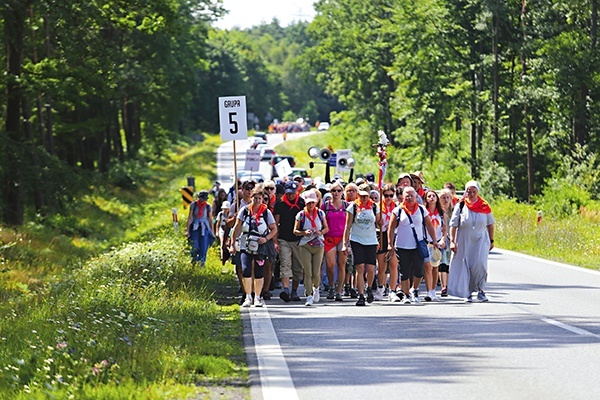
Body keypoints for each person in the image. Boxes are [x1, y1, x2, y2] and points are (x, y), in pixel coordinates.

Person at [387, 186, 438, 304]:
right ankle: (406, 295)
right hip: (402, 246)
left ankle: (414, 289)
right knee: (404, 272)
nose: (409, 198)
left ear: (416, 197)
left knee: (419, 271)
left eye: (412, 195)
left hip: (418, 245)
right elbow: (391, 227)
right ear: (403, 197)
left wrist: (434, 239)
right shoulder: (398, 210)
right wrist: (390, 244)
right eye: (407, 195)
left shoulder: (421, 209)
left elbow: (429, 225)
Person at [229, 187, 278, 307]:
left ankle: (257, 297)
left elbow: (274, 229)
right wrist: (232, 243)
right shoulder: (244, 211)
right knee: (245, 269)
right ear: (251, 198)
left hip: (260, 246)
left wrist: (266, 239)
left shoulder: (266, 212)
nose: (257, 200)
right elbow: (236, 227)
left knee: (259, 271)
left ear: (262, 199)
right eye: (255, 198)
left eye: (259, 198)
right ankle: (248, 296)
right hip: (245, 244)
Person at [448, 180, 495, 302]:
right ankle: (467, 292)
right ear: (466, 192)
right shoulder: (461, 205)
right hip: (464, 240)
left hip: (481, 240)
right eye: (469, 191)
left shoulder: (484, 206)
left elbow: (490, 224)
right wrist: (452, 241)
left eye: (474, 191)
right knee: (466, 265)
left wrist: (492, 240)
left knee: (480, 265)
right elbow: (453, 225)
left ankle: (481, 290)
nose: (471, 194)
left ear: (478, 192)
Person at [342, 185, 381, 306]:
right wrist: (345, 243)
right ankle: (360, 295)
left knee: (370, 269)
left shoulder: (374, 207)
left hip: (371, 240)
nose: (364, 198)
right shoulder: (353, 207)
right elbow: (347, 226)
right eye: (362, 196)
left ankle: (369, 288)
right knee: (360, 268)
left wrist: (381, 223)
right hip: (357, 240)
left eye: (366, 196)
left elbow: (378, 224)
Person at [294, 191, 329, 306]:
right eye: (308, 203)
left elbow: (326, 228)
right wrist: (304, 232)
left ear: (316, 202)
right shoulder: (301, 215)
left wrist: (320, 232)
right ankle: (308, 295)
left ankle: (316, 288)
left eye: (313, 203)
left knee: (316, 272)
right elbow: (295, 230)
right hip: (305, 245)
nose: (310, 205)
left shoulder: (320, 213)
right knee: (307, 271)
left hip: (318, 245)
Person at [273, 180, 306, 302]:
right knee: (285, 263)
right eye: (288, 193)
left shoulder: (302, 203)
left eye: (292, 193)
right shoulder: (280, 204)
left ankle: (294, 290)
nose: (290, 196)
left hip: (298, 240)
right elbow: (276, 224)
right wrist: (275, 241)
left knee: (298, 267)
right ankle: (286, 290)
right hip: (284, 239)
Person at [322, 181, 348, 301]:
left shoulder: (346, 206)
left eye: (338, 190)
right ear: (330, 192)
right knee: (330, 265)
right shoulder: (326, 206)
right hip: (330, 238)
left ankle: (339, 290)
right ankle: (331, 286)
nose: (336, 193)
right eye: (333, 191)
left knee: (342, 265)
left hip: (343, 238)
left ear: (342, 192)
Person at [376, 184, 400, 302]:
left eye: (391, 195)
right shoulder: (378, 207)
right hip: (382, 235)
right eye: (386, 195)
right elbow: (373, 223)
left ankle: (392, 290)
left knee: (394, 264)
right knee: (382, 266)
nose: (388, 198)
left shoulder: (396, 207)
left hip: (393, 236)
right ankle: (381, 288)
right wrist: (377, 222)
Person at [423, 189, 447, 301]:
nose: (431, 198)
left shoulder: (441, 213)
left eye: (433, 196)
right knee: (428, 266)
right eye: (429, 196)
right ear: (426, 199)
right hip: (426, 242)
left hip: (437, 242)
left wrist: (443, 239)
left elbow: (445, 228)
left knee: (435, 267)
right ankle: (428, 291)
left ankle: (433, 291)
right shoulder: (423, 212)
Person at [186, 190, 216, 265]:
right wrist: (188, 230)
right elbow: (190, 217)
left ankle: (202, 264)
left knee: (203, 247)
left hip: (204, 228)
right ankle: (194, 262)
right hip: (195, 227)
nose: (203, 200)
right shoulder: (194, 205)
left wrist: (212, 231)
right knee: (194, 246)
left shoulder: (208, 206)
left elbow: (210, 219)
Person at [438, 188, 454, 296]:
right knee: (442, 261)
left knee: (449, 261)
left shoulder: (454, 211)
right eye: (443, 197)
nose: (446, 200)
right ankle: (444, 286)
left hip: (452, 239)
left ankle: (449, 284)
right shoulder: (438, 211)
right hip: (441, 238)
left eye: (448, 197)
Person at [214, 200, 231, 265]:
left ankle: (228, 256)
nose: (225, 210)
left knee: (227, 243)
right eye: (224, 209)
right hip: (222, 228)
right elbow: (218, 224)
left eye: (226, 209)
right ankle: (222, 256)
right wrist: (217, 232)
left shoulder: (230, 214)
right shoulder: (220, 214)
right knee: (222, 242)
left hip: (228, 229)